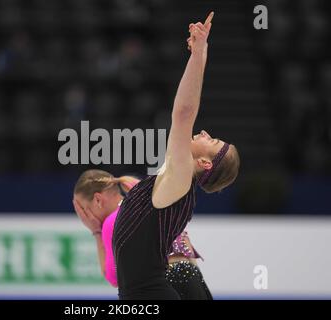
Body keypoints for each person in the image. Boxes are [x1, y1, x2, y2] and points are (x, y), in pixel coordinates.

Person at [112, 12, 240, 299]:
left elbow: (183, 113)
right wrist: (201, 50)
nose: (205, 132)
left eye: (213, 140)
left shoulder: (180, 179)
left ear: (205, 163)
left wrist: (197, 54)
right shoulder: (172, 177)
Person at [73, 169, 212, 299]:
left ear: (98, 200)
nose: (84, 217)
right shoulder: (143, 204)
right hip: (193, 275)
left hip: (167, 282)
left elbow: (115, 278)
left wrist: (96, 232)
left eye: (84, 210)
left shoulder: (113, 221)